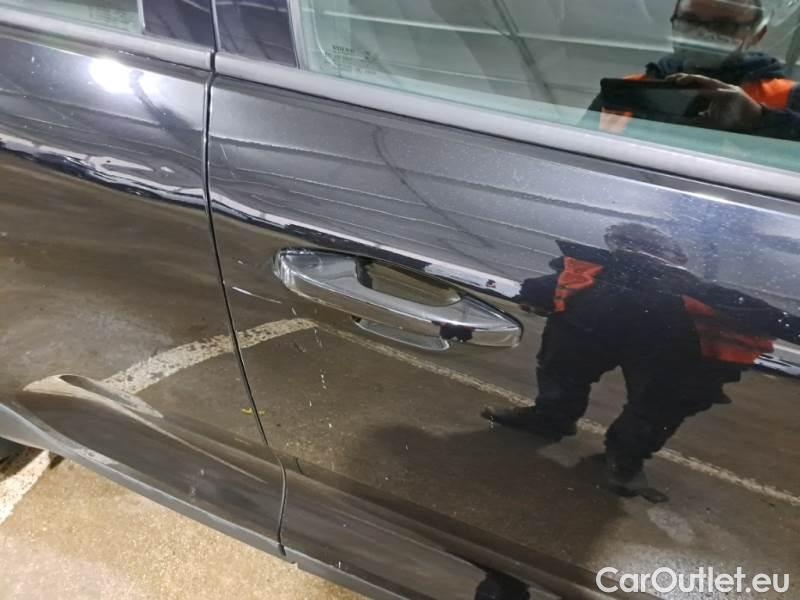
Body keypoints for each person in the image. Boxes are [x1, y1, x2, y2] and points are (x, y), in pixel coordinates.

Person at [482, 223, 800, 499]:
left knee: (654, 402)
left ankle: (619, 455)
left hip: (649, 344)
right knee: (575, 375)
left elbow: (762, 313)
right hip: (609, 336)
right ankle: (567, 427)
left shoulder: (685, 286)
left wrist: (534, 295)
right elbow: (767, 315)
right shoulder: (595, 269)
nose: (635, 252)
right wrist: (535, 295)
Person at [587, 0, 800, 139]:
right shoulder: (627, 90)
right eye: (689, 21)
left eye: (723, 25)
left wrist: (760, 120)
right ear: (673, 24)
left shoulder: (788, 97)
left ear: (757, 35)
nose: (701, 34)